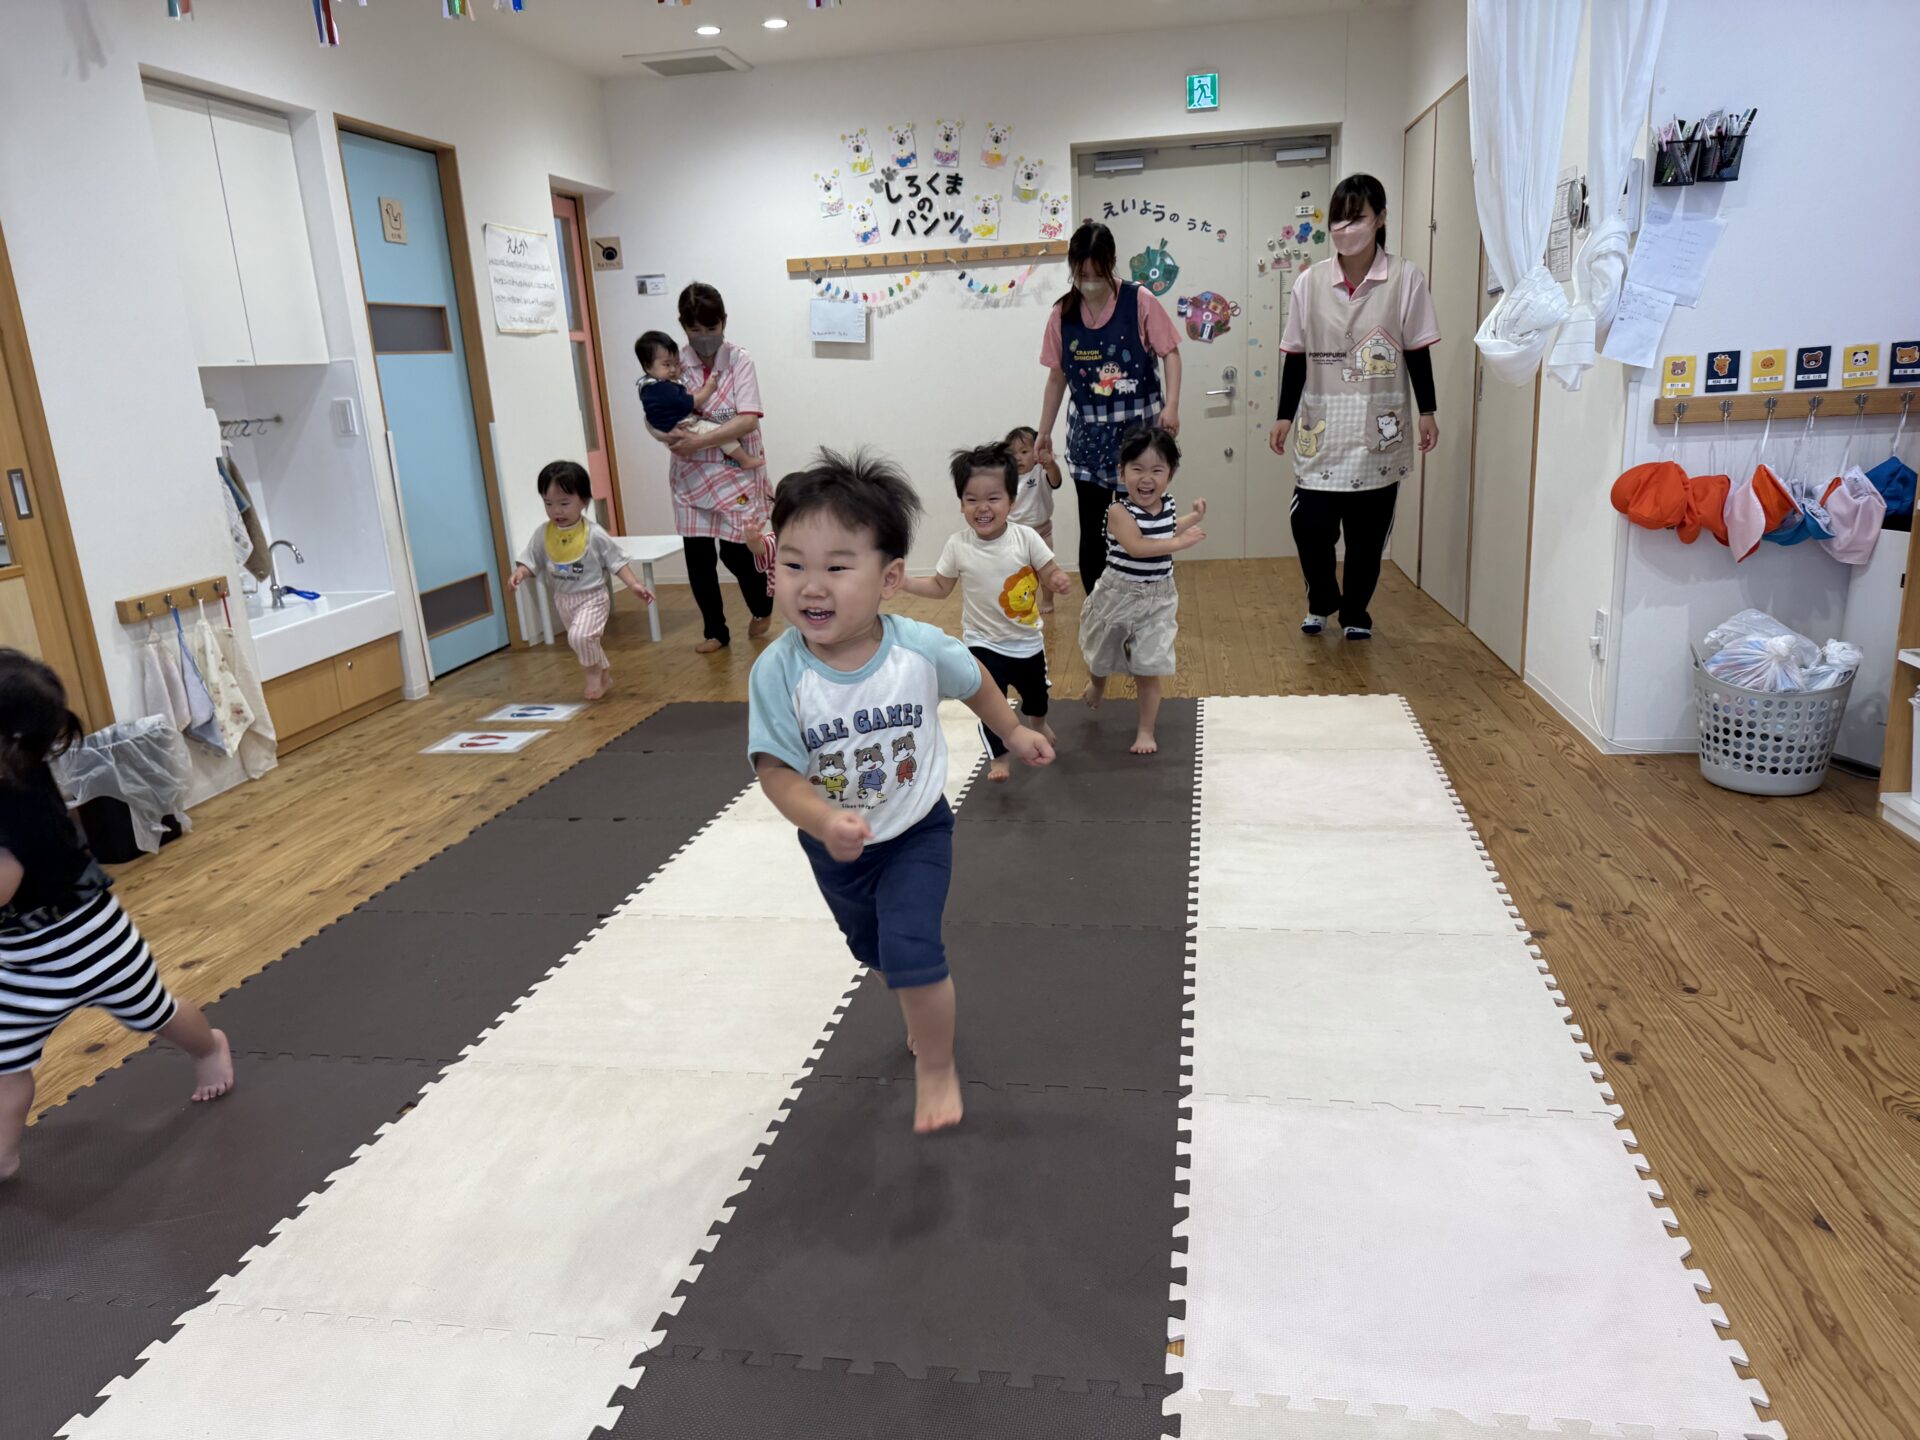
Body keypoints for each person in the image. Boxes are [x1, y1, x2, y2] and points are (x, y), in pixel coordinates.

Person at [748, 449, 1052, 1134]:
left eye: (836, 567)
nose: (811, 586)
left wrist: (1011, 729)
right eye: (793, 565)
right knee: (875, 951)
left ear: (889, 579)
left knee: (913, 949)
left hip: (917, 832)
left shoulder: (917, 648)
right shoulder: (778, 673)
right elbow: (775, 771)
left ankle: (937, 1066)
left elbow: (972, 679)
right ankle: (910, 991)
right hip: (836, 851)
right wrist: (822, 820)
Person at [0, 652, 233, 1182]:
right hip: (21, 962)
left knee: (156, 1012)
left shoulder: (16, 805)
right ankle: (4, 1154)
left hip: (92, 942)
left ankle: (208, 1047)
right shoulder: (17, 768)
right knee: (5, 1061)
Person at [1268, 172, 1440, 641]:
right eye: (1338, 220)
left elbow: (1417, 350)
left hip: (1379, 426)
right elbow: (1296, 355)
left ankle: (1356, 613)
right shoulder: (1310, 282)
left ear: (1380, 218)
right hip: (1322, 426)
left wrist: (1427, 410)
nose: (1345, 229)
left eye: (1356, 218)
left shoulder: (1405, 277)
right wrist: (1284, 415)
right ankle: (1321, 600)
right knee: (1310, 526)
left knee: (1367, 536)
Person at [902, 443, 1072, 783]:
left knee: (1037, 698)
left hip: (1027, 641)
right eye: (972, 499)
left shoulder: (1025, 537)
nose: (982, 508)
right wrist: (904, 583)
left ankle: (1038, 724)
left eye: (993, 498)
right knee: (991, 705)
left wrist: (1057, 578)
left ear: (1012, 501)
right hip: (983, 644)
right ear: (961, 503)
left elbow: (1048, 568)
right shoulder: (958, 545)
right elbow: (940, 587)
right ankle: (1000, 758)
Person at [1035, 223, 1184, 594]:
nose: (1089, 282)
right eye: (1081, 274)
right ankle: (1099, 607)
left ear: (1111, 263)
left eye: (1097, 274)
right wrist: (1044, 431)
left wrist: (1172, 406)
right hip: (1089, 437)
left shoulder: (1139, 300)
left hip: (1138, 438)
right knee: (1094, 529)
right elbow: (1056, 376)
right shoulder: (1062, 314)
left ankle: (1142, 600)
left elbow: (1170, 352)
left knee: (1142, 523)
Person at [645, 283, 775, 654]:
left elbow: (747, 419)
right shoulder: (670, 363)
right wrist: (664, 434)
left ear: (724, 322)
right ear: (683, 326)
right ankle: (714, 631)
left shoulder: (739, 360)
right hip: (691, 475)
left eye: (711, 328)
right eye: (695, 329)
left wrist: (700, 440)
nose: (704, 337)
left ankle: (762, 605)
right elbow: (655, 411)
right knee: (698, 555)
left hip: (736, 469)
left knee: (736, 552)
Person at [1079, 426, 1205, 756]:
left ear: (1170, 474)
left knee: (1149, 666)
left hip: (1158, 599)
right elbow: (1137, 547)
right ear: (1122, 472)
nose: (1146, 478)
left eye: (1156, 470)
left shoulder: (1168, 505)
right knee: (1101, 653)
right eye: (1137, 469)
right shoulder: (1118, 512)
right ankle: (1097, 683)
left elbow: (1167, 528)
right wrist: (1180, 543)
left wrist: (1193, 518)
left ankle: (1146, 730)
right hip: (1117, 596)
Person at [508, 461, 655, 701]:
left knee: (580, 637)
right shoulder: (544, 533)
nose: (556, 511)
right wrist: (521, 572)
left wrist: (634, 585)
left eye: (564, 503)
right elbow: (531, 558)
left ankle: (593, 675)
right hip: (563, 599)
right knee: (583, 641)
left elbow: (616, 561)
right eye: (548, 504)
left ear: (584, 501)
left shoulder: (594, 534)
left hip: (592, 597)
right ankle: (604, 674)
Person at [634, 330, 767, 472]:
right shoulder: (663, 388)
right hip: (684, 431)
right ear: (648, 366)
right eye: (667, 365)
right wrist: (708, 389)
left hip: (683, 434)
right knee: (721, 435)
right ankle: (744, 460)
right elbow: (691, 403)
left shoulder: (648, 386)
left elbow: (749, 421)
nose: (673, 369)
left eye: (676, 364)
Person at [1004, 425, 1063, 612]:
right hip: (1015, 535)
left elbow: (1056, 480)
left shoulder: (1040, 471)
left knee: (1046, 571)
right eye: (1012, 454)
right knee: (1019, 573)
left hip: (1041, 532)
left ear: (1037, 453)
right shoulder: (1006, 477)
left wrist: (1050, 464)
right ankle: (1023, 602)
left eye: (1024, 452)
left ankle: (1048, 600)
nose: (1018, 458)